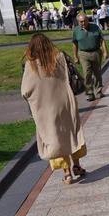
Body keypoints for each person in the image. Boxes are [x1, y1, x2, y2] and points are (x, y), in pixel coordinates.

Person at [21, 34, 88, 185]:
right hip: (65, 102)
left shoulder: (30, 65)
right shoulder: (60, 58)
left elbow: (25, 90)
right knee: (71, 132)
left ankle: (67, 173)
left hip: (45, 108)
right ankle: (77, 165)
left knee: (54, 137)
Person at [72, 13, 108, 101]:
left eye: (84, 21)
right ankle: (89, 93)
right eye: (81, 22)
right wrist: (75, 56)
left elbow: (102, 40)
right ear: (78, 22)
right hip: (83, 54)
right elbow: (74, 44)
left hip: (96, 52)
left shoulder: (95, 27)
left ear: (88, 20)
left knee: (97, 73)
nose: (83, 23)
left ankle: (99, 91)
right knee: (87, 73)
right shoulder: (76, 30)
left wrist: (105, 52)